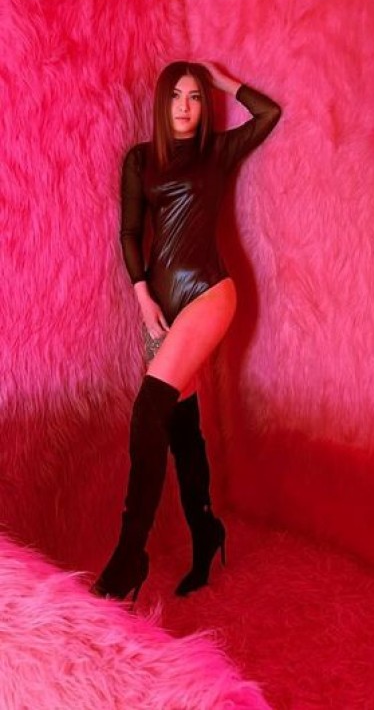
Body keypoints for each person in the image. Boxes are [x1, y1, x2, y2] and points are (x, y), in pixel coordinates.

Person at [92, 61, 281, 601]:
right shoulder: (140, 160)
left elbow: (269, 114)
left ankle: (129, 557)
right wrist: (141, 295)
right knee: (180, 423)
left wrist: (221, 80)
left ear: (204, 106)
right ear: (161, 102)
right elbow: (130, 232)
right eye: (176, 96)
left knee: (148, 409)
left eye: (195, 97)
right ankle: (206, 530)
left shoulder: (216, 152)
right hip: (161, 309)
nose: (184, 106)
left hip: (210, 293)